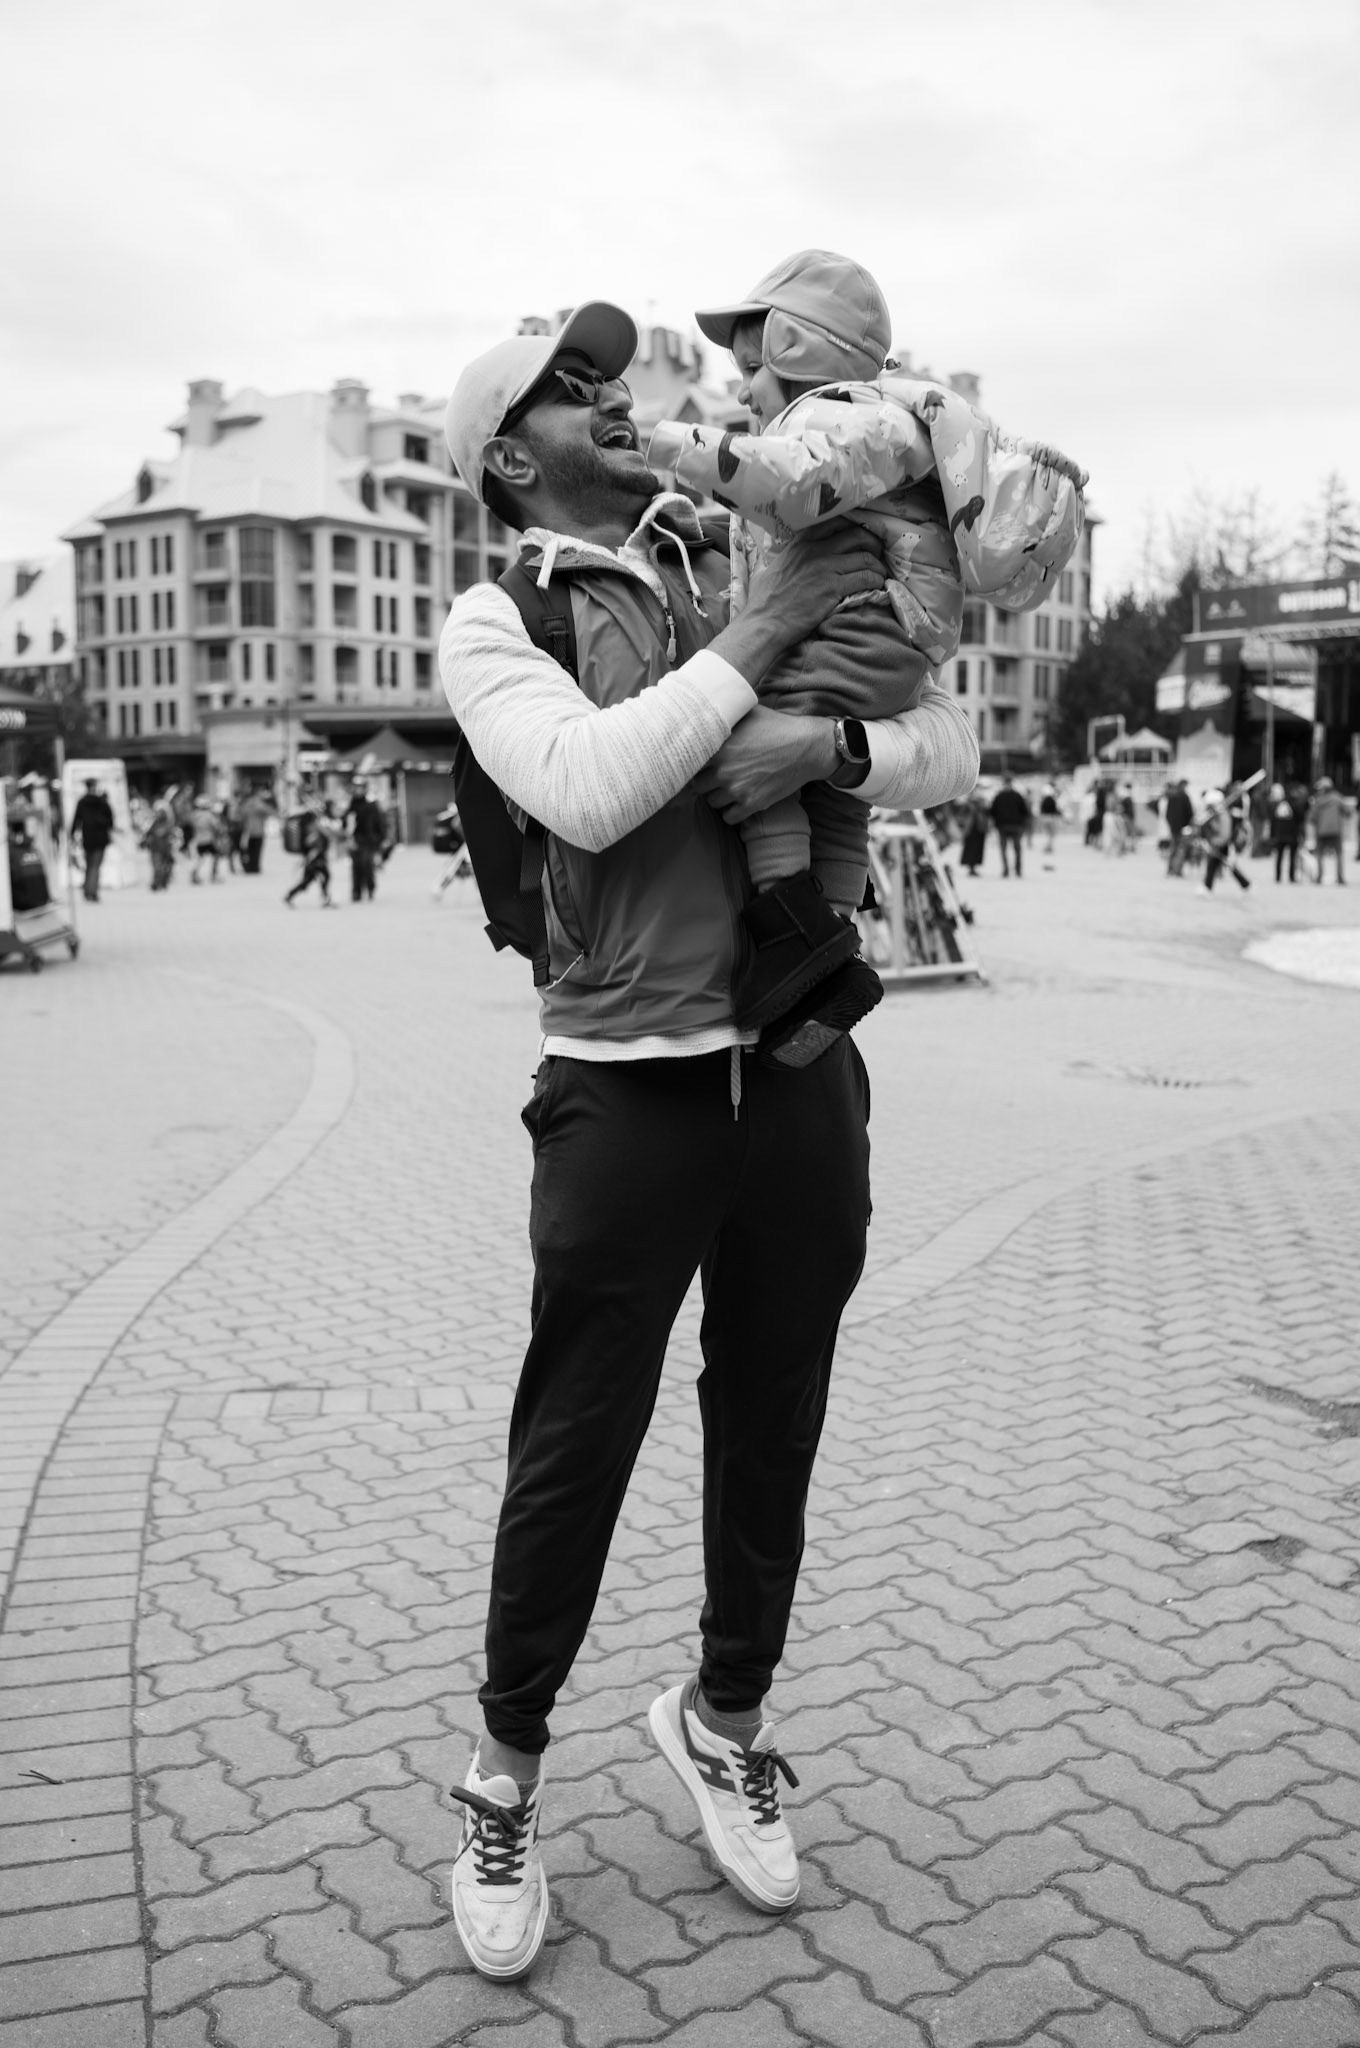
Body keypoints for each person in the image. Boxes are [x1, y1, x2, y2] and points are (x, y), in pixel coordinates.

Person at [438, 300, 979, 1980]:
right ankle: (503, 1775)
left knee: (774, 1420)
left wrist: (836, 739)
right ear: (506, 456)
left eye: (616, 377)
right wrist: (766, 643)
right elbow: (591, 787)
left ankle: (723, 1718)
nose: (612, 396)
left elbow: (953, 743)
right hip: (626, 1083)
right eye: (568, 388)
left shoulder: (744, 540)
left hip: (799, 1060)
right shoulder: (496, 618)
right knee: (576, 1441)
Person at [648, 250, 1084, 1041]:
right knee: (835, 794)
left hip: (860, 626)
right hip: (892, 644)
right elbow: (774, 536)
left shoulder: (843, 417)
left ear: (799, 352)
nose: (742, 393)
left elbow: (790, 487)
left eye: (751, 370)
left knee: (756, 731)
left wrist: (671, 446)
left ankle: (793, 936)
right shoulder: (888, 425)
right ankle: (835, 933)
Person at [283, 800, 338, 907]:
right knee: (324, 876)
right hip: (315, 856)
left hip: (314, 856)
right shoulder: (312, 825)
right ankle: (325, 899)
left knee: (309, 879)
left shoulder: (313, 823)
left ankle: (290, 895)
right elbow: (312, 840)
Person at [70, 777, 115, 902]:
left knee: (89, 864)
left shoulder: (82, 802)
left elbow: (76, 820)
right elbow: (110, 821)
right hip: (100, 838)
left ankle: (87, 891)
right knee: (95, 866)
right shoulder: (102, 802)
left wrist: (72, 834)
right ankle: (92, 892)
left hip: (88, 837)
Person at [1199, 790, 1251, 894]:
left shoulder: (1222, 815)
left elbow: (1225, 832)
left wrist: (1216, 842)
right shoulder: (1215, 814)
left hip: (1221, 844)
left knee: (1218, 864)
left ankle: (1208, 888)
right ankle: (1245, 884)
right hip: (1218, 843)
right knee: (1218, 865)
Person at [345, 780, 388, 902]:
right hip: (355, 840)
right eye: (356, 788)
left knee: (367, 864)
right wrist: (347, 838)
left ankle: (370, 889)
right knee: (356, 866)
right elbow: (346, 823)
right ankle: (356, 892)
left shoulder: (371, 805)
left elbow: (379, 822)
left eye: (360, 788)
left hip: (369, 840)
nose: (358, 790)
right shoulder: (352, 805)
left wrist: (381, 838)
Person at [990, 774, 1031, 877]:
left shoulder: (999, 796)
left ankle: (1009, 870)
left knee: (1008, 849)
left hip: (1006, 826)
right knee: (1015, 849)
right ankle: (1015, 870)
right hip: (1012, 826)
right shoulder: (1017, 796)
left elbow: (992, 812)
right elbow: (1025, 812)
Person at [1310, 775, 1346, 884]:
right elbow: (1348, 811)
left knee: (1319, 854)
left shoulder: (1318, 800)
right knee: (1339, 854)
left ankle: (1319, 877)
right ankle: (1340, 877)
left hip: (1322, 832)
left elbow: (1312, 817)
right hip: (1336, 831)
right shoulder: (1337, 798)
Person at [1267, 781, 1301, 883]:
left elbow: (1273, 821)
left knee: (1280, 856)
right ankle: (1291, 876)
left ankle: (1278, 877)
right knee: (1292, 857)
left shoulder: (1278, 805)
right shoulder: (1295, 804)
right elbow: (1300, 820)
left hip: (1281, 834)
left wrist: (1272, 835)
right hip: (1292, 834)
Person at [141, 801, 176, 890]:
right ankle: (157, 882)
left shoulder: (167, 825)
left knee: (162, 866)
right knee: (157, 866)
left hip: (163, 848)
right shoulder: (153, 824)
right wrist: (145, 841)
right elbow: (148, 835)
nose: (158, 815)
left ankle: (161, 882)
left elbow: (171, 836)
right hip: (156, 848)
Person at [189, 793, 223, 884]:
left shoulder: (195, 815)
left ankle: (194, 874)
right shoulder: (208, 815)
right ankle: (214, 875)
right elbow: (216, 826)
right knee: (216, 856)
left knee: (200, 858)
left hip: (199, 840)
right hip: (208, 839)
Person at [1165, 778, 1194, 876]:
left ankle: (1170, 869)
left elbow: (1167, 814)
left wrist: (1171, 825)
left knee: (1174, 848)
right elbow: (1190, 813)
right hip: (1183, 828)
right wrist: (1188, 825)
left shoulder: (1172, 796)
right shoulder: (1184, 797)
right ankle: (1178, 871)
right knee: (1181, 849)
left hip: (1174, 828)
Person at [958, 789, 989, 876]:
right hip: (970, 829)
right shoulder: (967, 804)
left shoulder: (982, 803)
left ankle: (974, 866)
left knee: (977, 849)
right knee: (970, 848)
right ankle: (971, 866)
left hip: (979, 829)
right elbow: (961, 815)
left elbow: (987, 814)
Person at [240, 789, 271, 874]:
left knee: (250, 851)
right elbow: (268, 812)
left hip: (249, 831)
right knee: (257, 851)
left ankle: (250, 867)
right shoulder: (259, 804)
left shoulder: (246, 805)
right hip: (258, 831)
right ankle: (255, 867)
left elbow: (242, 816)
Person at [1038, 784, 1061, 868]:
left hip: (1044, 817)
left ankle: (1047, 846)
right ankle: (1049, 846)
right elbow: (1055, 809)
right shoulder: (1052, 800)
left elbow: (1041, 809)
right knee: (1052, 834)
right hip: (1051, 817)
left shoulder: (1044, 800)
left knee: (1047, 833)